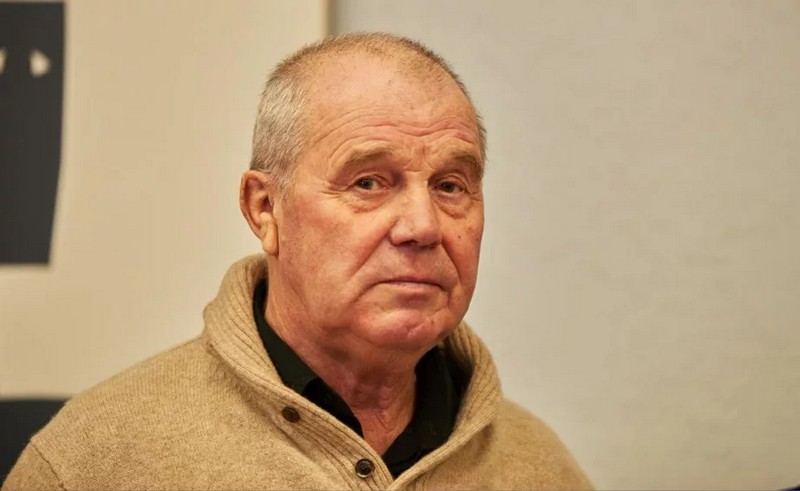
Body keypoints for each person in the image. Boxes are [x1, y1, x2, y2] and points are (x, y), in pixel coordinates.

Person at [3, 33, 591, 490]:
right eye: (368, 182)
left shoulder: (538, 466)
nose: (423, 226)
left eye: (451, 186)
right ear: (265, 209)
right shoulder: (98, 460)